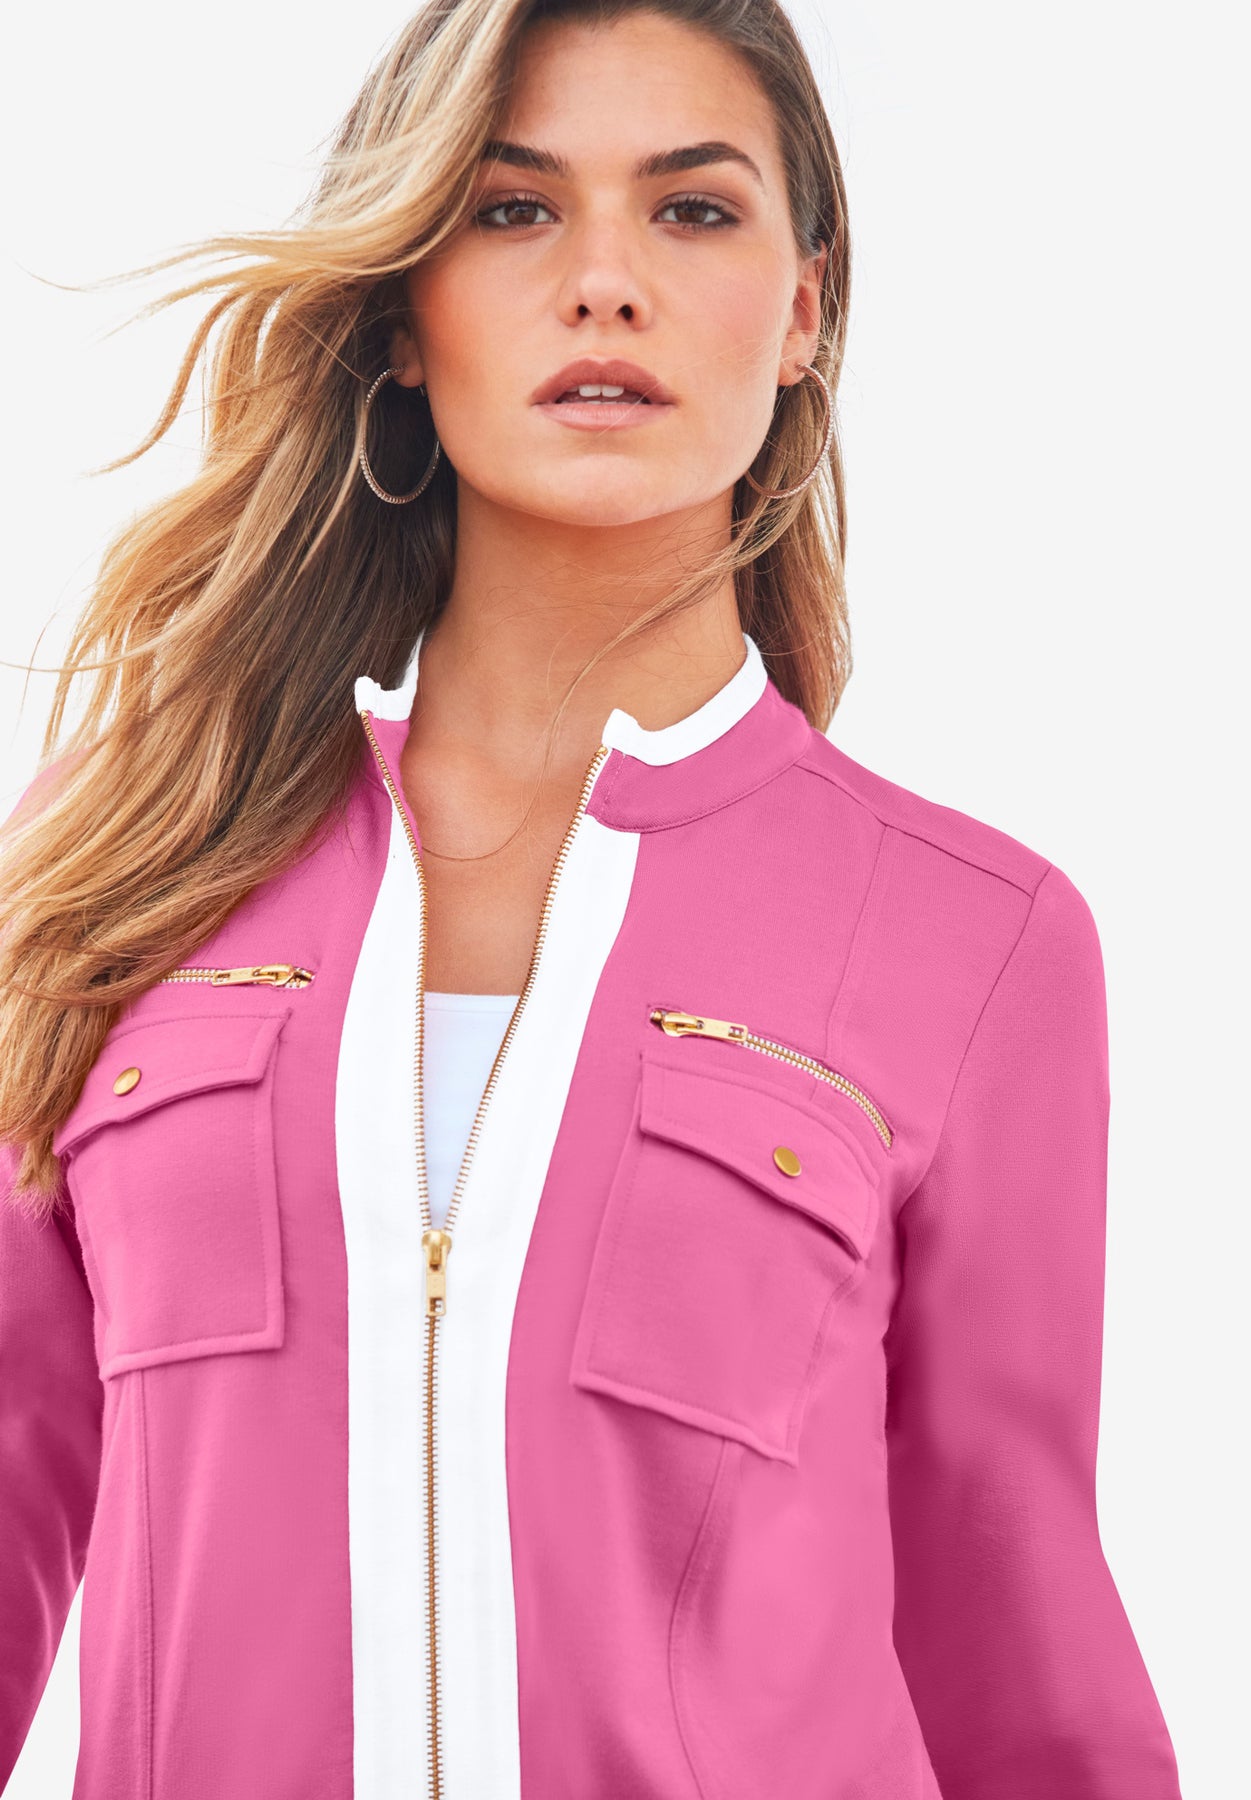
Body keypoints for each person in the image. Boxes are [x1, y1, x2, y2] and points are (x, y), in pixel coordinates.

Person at [0, 2, 1185, 1796]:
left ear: (804, 309)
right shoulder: (125, 851)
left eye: (693, 210)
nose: (606, 285)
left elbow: (1014, 1650)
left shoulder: (977, 939)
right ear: (405, 312)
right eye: (513, 210)